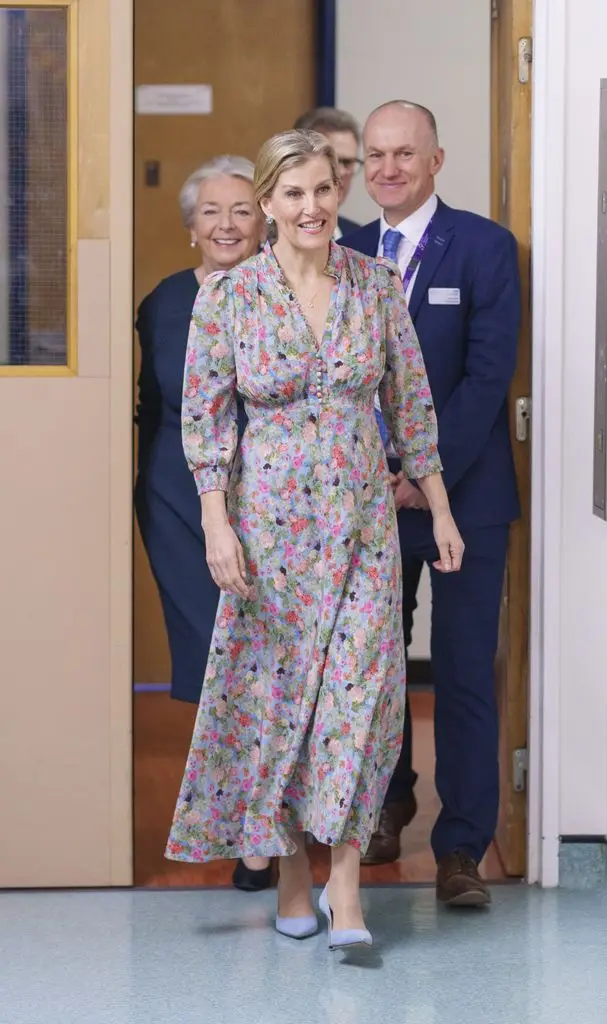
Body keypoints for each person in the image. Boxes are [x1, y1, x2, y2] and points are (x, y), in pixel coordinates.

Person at [165, 128, 464, 949]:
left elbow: (412, 404)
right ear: (267, 204)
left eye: (324, 190)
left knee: (361, 704)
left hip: (363, 527)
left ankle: (345, 885)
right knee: (279, 706)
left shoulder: (373, 284)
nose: (310, 207)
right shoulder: (228, 297)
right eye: (292, 193)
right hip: (269, 534)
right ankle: (292, 873)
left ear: (341, 195)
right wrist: (215, 521)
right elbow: (204, 418)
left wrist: (437, 507)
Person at [342, 101, 521, 907]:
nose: (387, 169)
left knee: (460, 673)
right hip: (366, 501)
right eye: (374, 155)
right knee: (373, 674)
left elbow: (488, 376)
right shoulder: (340, 249)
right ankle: (386, 803)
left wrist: (426, 469)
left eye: (403, 155)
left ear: (436, 160)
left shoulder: (483, 248)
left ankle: (460, 850)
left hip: (466, 500)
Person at [134, 154, 273, 893]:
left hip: (275, 502)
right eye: (210, 212)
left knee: (265, 669)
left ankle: (262, 832)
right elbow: (149, 410)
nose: (226, 224)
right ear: (190, 228)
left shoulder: (286, 295)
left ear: (265, 222)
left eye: (241, 209)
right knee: (217, 668)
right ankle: (244, 828)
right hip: (178, 505)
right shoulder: (160, 304)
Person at [293, 107, 363, 236]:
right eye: (332, 161)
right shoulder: (266, 237)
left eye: (347, 162)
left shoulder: (358, 236)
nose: (341, 172)